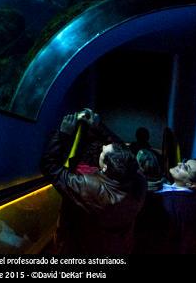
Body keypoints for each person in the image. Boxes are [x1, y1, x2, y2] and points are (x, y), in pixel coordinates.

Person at [40, 109, 147, 254]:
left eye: (103, 152)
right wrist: (99, 126)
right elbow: (124, 153)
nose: (102, 147)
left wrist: (62, 134)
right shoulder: (139, 182)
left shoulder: (91, 188)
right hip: (118, 247)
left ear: (105, 167)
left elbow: (50, 167)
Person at [137, 156, 196, 254]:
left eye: (186, 168)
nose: (180, 164)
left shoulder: (167, 204)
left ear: (191, 184)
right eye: (184, 162)